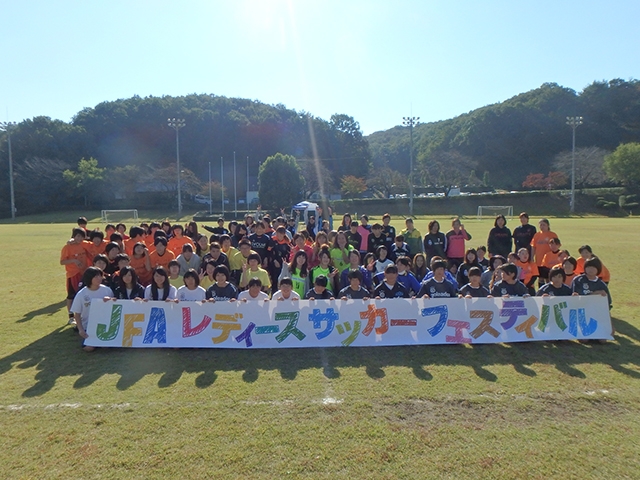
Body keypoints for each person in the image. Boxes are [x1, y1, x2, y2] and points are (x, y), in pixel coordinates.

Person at [70, 267, 114, 352]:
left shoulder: (107, 290)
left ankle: (100, 342)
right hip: (88, 325)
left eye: (100, 276)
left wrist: (110, 300)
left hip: (104, 324)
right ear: (89, 278)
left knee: (106, 347)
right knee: (89, 348)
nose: (99, 279)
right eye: (96, 277)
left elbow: (114, 305)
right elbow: (77, 314)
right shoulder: (81, 294)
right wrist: (81, 329)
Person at [60, 227, 88, 325]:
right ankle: (71, 316)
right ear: (74, 236)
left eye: (82, 237)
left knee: (82, 295)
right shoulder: (67, 247)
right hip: (73, 274)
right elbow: (62, 261)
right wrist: (74, 260)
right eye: (78, 236)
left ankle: (81, 315)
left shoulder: (84, 245)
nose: (79, 239)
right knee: (72, 295)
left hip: (84, 273)